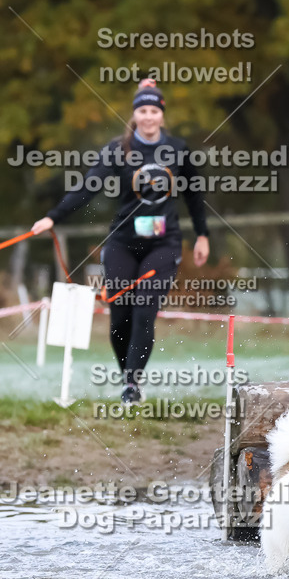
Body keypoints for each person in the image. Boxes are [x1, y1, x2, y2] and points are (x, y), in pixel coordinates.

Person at [31, 79, 210, 404]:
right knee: (119, 315)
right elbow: (88, 186)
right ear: (135, 113)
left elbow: (194, 196)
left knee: (144, 309)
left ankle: (132, 385)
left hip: (163, 244)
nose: (148, 116)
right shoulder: (118, 149)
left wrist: (203, 235)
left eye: (154, 110)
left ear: (161, 114)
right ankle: (127, 377)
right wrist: (53, 217)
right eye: (142, 110)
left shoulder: (178, 149)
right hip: (122, 242)